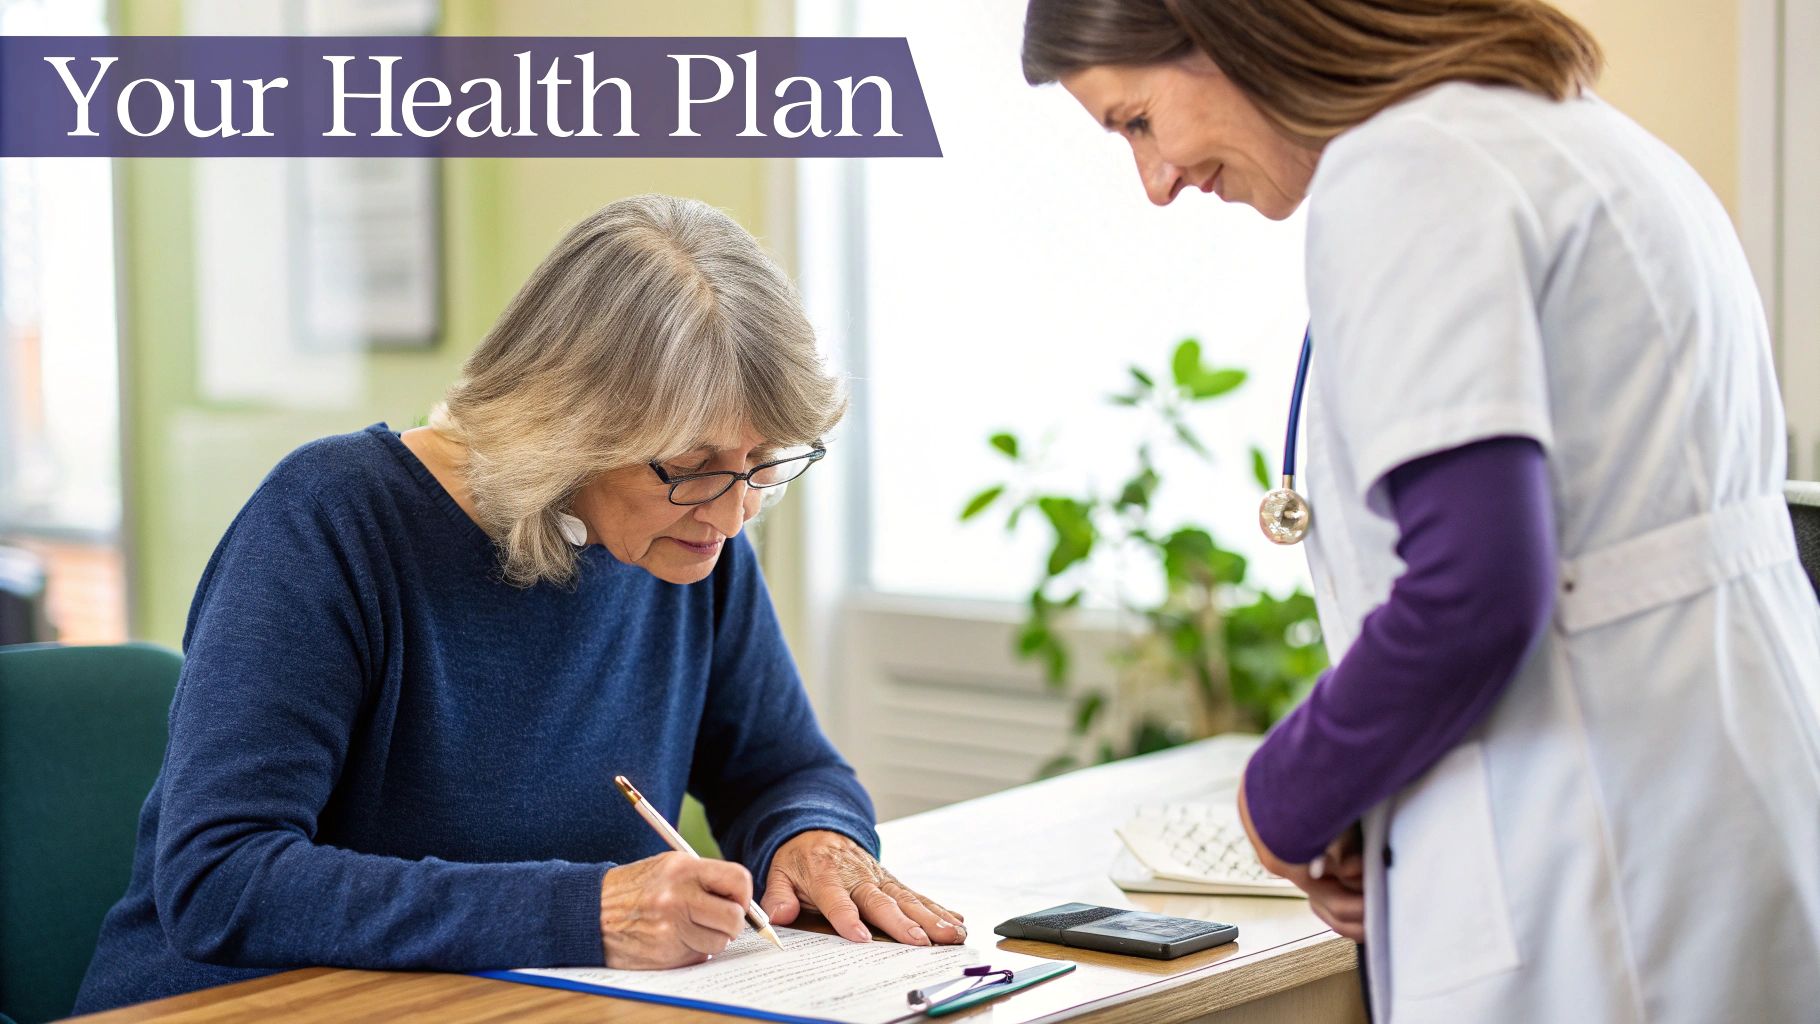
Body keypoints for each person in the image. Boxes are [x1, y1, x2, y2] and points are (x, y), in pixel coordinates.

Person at [1021, 1, 1820, 1021]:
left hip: (1594, 862)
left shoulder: (1404, 170)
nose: (1156, 178)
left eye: (1135, 120)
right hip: (1716, 816)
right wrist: (1377, 782)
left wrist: (1284, 797)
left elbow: (1473, 588)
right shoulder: (1573, 138)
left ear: (1230, 31)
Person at [74, 194, 965, 1014]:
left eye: (763, 462)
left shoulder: (692, 540)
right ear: (567, 426)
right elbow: (220, 879)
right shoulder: (331, 518)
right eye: (691, 468)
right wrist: (584, 910)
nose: (734, 513)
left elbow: (781, 768)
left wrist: (809, 838)